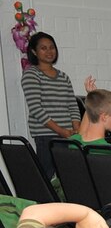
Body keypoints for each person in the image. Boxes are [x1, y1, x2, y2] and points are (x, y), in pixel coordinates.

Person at [20, 31, 82, 178]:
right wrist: (60, 131)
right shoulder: (31, 74)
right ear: (34, 52)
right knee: (46, 177)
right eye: (43, 48)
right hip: (46, 135)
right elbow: (36, 108)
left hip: (68, 136)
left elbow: (72, 105)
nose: (49, 51)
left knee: (68, 177)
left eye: (52, 47)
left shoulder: (63, 76)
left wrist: (77, 131)